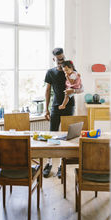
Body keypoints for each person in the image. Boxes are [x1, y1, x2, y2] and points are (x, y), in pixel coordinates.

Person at [43, 48, 83, 178]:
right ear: (54, 59)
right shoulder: (50, 72)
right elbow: (48, 91)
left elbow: (81, 88)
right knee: (52, 135)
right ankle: (49, 163)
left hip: (69, 106)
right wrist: (46, 109)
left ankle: (61, 165)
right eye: (59, 59)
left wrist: (74, 92)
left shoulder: (71, 69)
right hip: (55, 106)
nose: (61, 61)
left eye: (63, 58)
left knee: (67, 136)